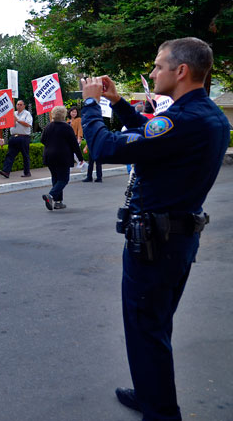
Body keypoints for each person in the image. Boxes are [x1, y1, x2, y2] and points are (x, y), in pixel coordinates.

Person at [82, 38, 229, 421]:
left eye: (158, 66)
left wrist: (91, 103)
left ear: (181, 71)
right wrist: (118, 104)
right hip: (175, 239)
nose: (152, 73)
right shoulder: (206, 116)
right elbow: (151, 135)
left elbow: (105, 147)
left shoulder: (184, 120)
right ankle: (151, 393)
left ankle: (161, 411)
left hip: (155, 243)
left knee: (146, 328)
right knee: (155, 324)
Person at [40, 106, 83, 210]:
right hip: (62, 156)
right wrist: (80, 157)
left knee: (55, 178)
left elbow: (42, 140)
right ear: (64, 115)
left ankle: (58, 202)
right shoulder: (67, 127)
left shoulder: (48, 126)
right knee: (64, 179)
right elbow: (74, 144)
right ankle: (50, 196)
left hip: (49, 156)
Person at [0, 99, 33, 178]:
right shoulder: (13, 113)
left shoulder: (27, 114)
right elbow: (10, 124)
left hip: (23, 136)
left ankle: (27, 172)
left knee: (25, 155)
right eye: (18, 104)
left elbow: (28, 124)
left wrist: (17, 120)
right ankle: (6, 171)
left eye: (21, 105)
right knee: (10, 154)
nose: (19, 106)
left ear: (24, 106)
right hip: (14, 136)